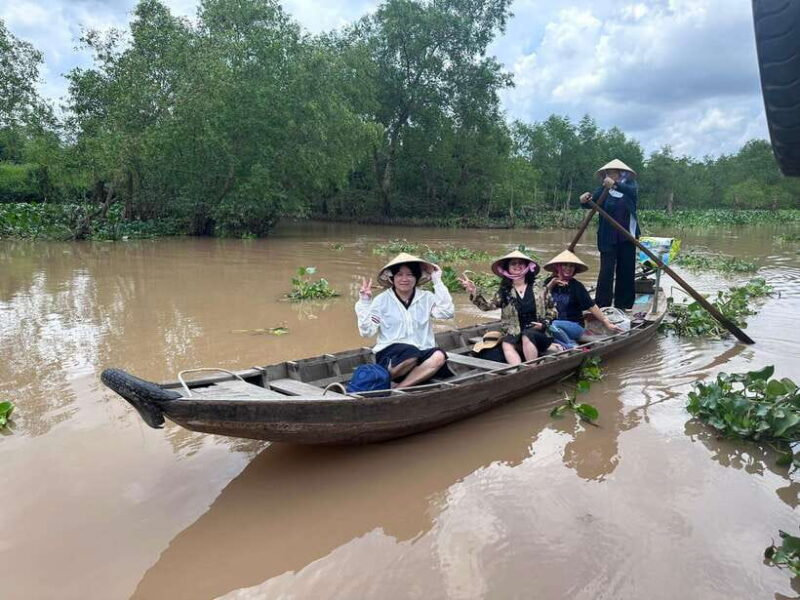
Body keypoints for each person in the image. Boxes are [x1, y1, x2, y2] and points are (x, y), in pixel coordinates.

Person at [355, 252, 455, 388]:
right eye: (399, 275)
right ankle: (381, 378)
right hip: (391, 356)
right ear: (392, 278)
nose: (404, 279)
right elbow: (367, 332)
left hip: (421, 355)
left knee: (439, 356)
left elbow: (447, 313)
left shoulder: (426, 298)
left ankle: (399, 387)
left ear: (416, 278)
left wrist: (437, 281)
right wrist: (365, 302)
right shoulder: (381, 301)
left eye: (410, 274)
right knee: (410, 353)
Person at [458, 250, 562, 365]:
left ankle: (532, 367)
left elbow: (553, 310)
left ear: (527, 266)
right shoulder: (505, 291)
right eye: (513, 263)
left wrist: (544, 323)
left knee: (527, 334)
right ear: (507, 268)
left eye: (520, 263)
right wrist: (474, 292)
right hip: (514, 335)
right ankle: (518, 370)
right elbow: (487, 307)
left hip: (538, 333)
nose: (517, 266)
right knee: (505, 344)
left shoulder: (540, 288)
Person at [579, 159, 640, 310]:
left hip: (627, 237)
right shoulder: (603, 189)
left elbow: (631, 193)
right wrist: (584, 199)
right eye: (608, 172)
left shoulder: (630, 186)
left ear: (620, 173)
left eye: (613, 172)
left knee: (626, 270)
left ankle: (624, 305)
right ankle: (602, 304)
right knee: (606, 271)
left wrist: (615, 185)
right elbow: (591, 202)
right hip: (608, 238)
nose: (610, 175)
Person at [542, 249, 624, 349]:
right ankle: (567, 343)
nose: (568, 268)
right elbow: (539, 300)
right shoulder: (549, 282)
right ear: (558, 267)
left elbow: (591, 306)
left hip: (574, 325)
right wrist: (551, 284)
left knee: (552, 325)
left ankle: (571, 346)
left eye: (571, 266)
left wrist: (607, 322)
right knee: (546, 328)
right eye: (565, 265)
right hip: (552, 326)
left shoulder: (576, 286)